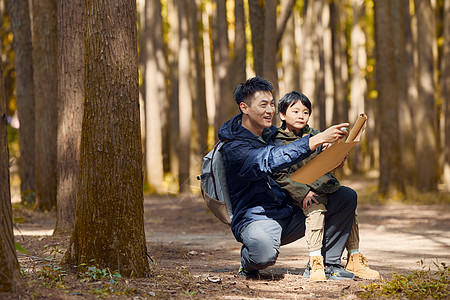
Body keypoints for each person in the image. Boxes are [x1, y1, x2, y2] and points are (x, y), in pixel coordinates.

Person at [217, 76, 355, 280]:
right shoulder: (235, 147)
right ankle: (248, 262)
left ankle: (327, 264)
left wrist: (329, 155)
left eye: (272, 104)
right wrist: (316, 139)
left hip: (291, 210)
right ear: (244, 107)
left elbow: (301, 162)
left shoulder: (274, 134)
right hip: (257, 218)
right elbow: (269, 160)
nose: (270, 110)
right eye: (263, 105)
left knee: (345, 197)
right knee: (263, 255)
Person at [272, 91, 380, 281]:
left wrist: (337, 155)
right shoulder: (276, 140)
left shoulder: (316, 135)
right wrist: (303, 192)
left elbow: (327, 167)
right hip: (296, 194)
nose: (301, 116)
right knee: (316, 206)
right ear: (282, 115)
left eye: (305, 112)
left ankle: (354, 258)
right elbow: (279, 175)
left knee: (348, 197)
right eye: (295, 111)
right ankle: (316, 262)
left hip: (322, 186)